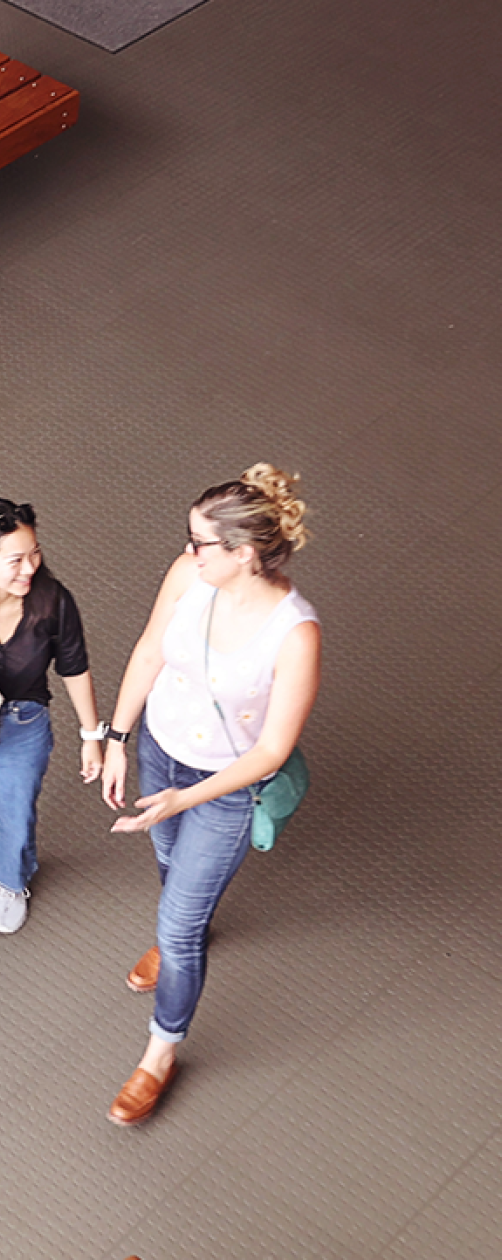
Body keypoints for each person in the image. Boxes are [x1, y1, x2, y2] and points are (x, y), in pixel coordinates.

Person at [102, 463, 321, 1126]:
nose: (189, 551)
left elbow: (269, 752)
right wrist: (116, 735)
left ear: (243, 554)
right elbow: (148, 653)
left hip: (222, 789)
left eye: (201, 543)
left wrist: (184, 801)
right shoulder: (187, 576)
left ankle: (159, 1054)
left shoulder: (295, 634)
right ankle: (178, 929)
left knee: (180, 923)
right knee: (168, 864)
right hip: (159, 754)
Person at [0, 499, 103, 934]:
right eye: (15, 560)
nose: (30, 568)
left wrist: (91, 735)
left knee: (14, 806)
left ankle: (9, 883)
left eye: (35, 553)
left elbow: (74, 668)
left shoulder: (51, 601)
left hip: (23, 718)